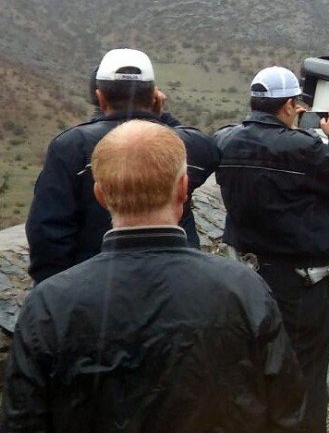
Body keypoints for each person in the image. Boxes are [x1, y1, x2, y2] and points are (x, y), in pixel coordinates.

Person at [0, 121, 314, 433]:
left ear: (100, 194)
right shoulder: (242, 289)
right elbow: (286, 416)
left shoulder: (49, 305)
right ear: (183, 189)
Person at [214, 66, 329, 433]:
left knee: (254, 373)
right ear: (290, 105)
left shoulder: (225, 141)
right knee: (303, 376)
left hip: (245, 278)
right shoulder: (302, 148)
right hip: (298, 284)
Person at [25, 47, 219, 283]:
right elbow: (209, 149)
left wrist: (54, 290)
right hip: (177, 281)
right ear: (154, 96)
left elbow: (48, 230)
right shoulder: (182, 144)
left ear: (100, 97)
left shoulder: (70, 147)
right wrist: (158, 116)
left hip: (94, 288)